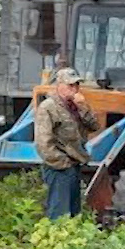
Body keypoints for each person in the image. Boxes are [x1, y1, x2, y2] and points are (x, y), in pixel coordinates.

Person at [33, 68, 99, 220]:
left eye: (76, 85)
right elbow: (43, 142)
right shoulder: (49, 107)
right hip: (59, 167)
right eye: (71, 85)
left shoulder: (75, 106)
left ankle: (70, 241)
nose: (75, 89)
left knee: (74, 212)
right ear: (60, 85)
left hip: (74, 164)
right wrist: (62, 163)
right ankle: (56, 241)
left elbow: (94, 126)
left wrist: (83, 107)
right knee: (59, 213)